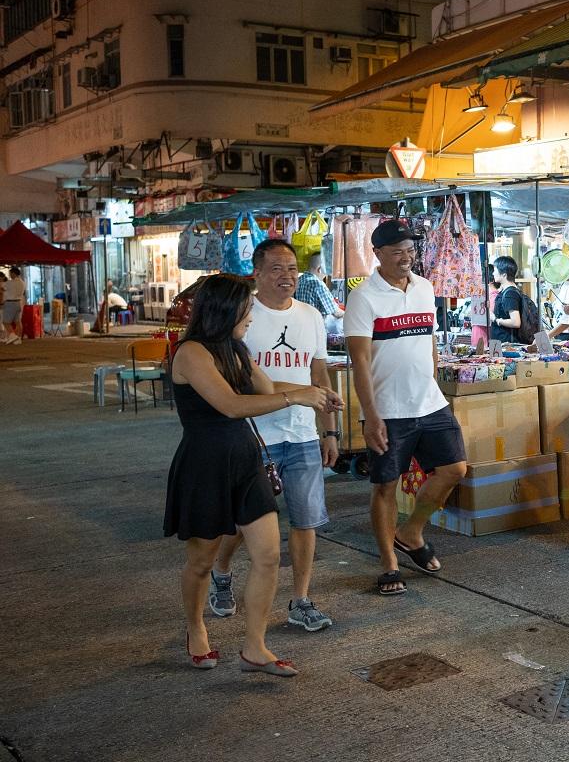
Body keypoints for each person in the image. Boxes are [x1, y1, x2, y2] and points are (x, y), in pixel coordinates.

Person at [164, 273, 340, 676]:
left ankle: (255, 647)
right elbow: (231, 405)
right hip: (205, 464)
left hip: (245, 459)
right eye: (246, 310)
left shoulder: (237, 349)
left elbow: (266, 386)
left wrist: (315, 392)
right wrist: (296, 397)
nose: (251, 317)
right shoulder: (191, 353)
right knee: (201, 561)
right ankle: (196, 628)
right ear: (225, 310)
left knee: (268, 555)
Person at [207, 240, 339, 633]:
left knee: (306, 520)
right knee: (245, 520)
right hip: (254, 435)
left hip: (302, 434)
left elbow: (319, 374)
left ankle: (300, 600)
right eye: (277, 269)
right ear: (258, 273)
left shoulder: (311, 316)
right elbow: (241, 382)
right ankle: (221, 570)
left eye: (292, 268)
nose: (287, 276)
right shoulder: (243, 316)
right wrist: (297, 394)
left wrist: (330, 431)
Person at [345, 219, 468, 596]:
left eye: (410, 250)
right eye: (397, 251)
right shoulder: (363, 297)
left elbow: (428, 340)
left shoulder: (424, 287)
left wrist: (433, 377)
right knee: (386, 485)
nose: (406, 258)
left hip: (429, 402)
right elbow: (360, 361)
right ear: (378, 254)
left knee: (454, 469)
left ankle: (411, 531)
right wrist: (370, 415)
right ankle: (389, 563)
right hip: (387, 409)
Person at [296, 253, 344, 335]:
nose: (327, 274)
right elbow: (335, 312)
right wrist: (349, 314)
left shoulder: (298, 281)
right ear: (320, 269)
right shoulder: (318, 284)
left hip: (300, 330)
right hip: (315, 331)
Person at [490, 256, 523, 343]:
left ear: (504, 274)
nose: (493, 273)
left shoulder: (510, 294)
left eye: (495, 270)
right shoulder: (508, 291)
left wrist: (496, 320)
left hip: (507, 344)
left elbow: (516, 322)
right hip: (501, 342)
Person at [4, 267, 27, 344]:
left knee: (5, 322)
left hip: (10, 303)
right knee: (18, 322)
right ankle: (19, 339)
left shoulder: (10, 283)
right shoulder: (23, 283)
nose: (10, 275)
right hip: (19, 303)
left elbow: (2, 287)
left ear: (14, 273)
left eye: (10, 273)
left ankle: (13, 335)